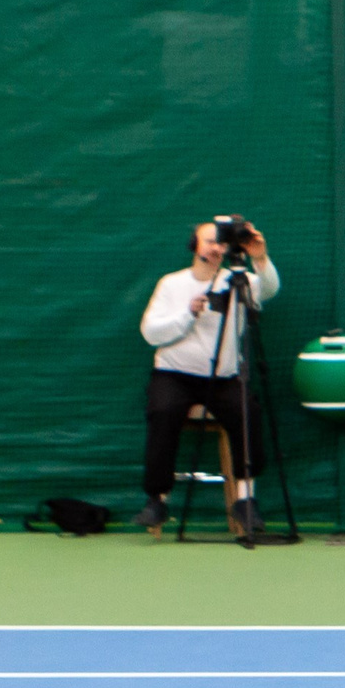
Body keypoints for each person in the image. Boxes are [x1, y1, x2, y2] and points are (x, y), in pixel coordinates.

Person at [135, 217, 278, 535]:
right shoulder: (171, 284)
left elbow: (268, 290)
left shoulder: (239, 281)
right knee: (162, 411)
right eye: (209, 241)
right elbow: (151, 333)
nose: (216, 247)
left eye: (221, 242)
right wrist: (188, 313)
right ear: (195, 245)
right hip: (174, 376)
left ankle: (246, 501)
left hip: (224, 378)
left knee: (248, 412)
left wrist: (260, 257)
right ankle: (156, 500)